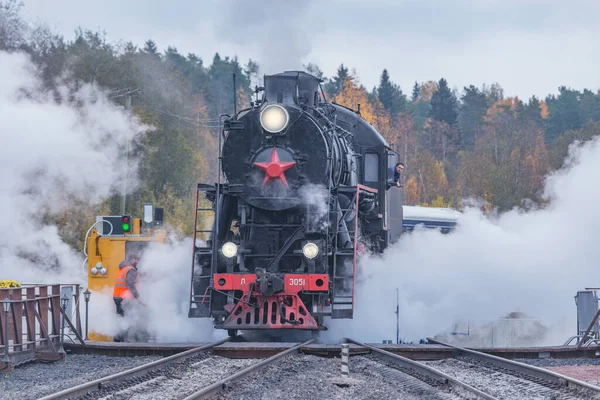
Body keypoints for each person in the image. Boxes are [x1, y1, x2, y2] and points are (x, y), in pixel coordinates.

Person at [112, 255, 140, 341]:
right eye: (137, 259)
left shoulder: (123, 269)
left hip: (117, 296)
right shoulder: (131, 270)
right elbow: (130, 284)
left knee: (120, 318)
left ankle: (118, 339)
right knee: (127, 318)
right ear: (132, 259)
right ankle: (124, 340)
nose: (138, 262)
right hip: (124, 297)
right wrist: (136, 295)